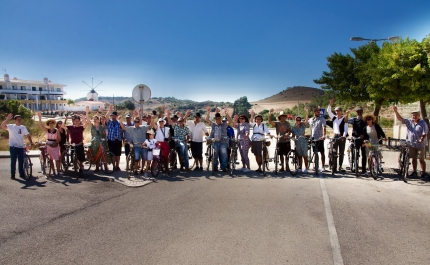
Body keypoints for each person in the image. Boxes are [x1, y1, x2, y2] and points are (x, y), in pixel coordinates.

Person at [393, 107, 428, 178]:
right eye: (413, 115)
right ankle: (414, 171)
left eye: (416, 115)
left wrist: (421, 138)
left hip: (420, 144)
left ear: (419, 116)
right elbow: (400, 119)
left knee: (421, 159)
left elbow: (425, 132)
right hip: (411, 143)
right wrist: (396, 112)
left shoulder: (423, 123)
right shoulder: (409, 121)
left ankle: (423, 172)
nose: (414, 117)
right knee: (413, 158)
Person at [1, 113, 33, 180]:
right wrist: (7, 119)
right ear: (15, 120)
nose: (19, 120)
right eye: (18, 119)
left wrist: (31, 142)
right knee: (13, 161)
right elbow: (2, 126)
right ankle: (13, 175)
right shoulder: (11, 126)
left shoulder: (23, 127)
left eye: (20, 119)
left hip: (20, 147)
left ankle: (21, 174)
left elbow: (28, 135)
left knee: (21, 161)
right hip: (13, 147)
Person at [205, 107, 232, 172]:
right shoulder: (213, 125)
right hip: (215, 142)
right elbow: (207, 120)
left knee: (224, 155)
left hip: (223, 142)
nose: (217, 119)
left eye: (219, 118)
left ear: (220, 118)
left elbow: (230, 121)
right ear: (215, 119)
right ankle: (215, 167)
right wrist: (208, 112)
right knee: (215, 156)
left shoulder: (224, 124)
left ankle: (224, 167)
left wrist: (226, 114)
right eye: (216, 118)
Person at [344, 107, 367, 174]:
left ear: (362, 112)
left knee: (363, 154)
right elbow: (346, 121)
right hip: (356, 138)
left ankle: (363, 169)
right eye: (358, 112)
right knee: (355, 153)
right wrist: (347, 114)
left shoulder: (365, 120)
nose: (359, 113)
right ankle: (354, 167)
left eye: (360, 111)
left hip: (363, 139)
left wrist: (364, 135)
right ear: (356, 112)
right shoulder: (354, 119)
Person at [37, 113, 61, 178]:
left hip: (55, 145)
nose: (51, 124)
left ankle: (58, 171)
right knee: (50, 159)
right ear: (48, 124)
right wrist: (39, 118)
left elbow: (59, 139)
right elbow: (41, 126)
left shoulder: (57, 131)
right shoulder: (47, 130)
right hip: (48, 145)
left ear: (53, 124)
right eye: (49, 123)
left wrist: (55, 142)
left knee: (57, 159)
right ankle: (52, 171)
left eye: (52, 123)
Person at [327, 98, 348, 172]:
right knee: (334, 151)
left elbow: (346, 129)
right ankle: (334, 166)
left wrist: (344, 136)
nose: (337, 112)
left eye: (339, 111)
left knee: (341, 152)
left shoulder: (344, 119)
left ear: (341, 111)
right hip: (335, 135)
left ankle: (340, 166)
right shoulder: (334, 118)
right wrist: (330, 104)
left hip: (342, 136)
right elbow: (329, 112)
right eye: (336, 111)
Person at [105, 105, 125, 170]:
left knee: (118, 154)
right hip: (111, 140)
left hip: (118, 140)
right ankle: (113, 166)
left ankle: (117, 166)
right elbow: (106, 117)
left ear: (116, 116)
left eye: (115, 116)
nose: (113, 117)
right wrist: (109, 110)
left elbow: (123, 128)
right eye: (112, 116)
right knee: (112, 154)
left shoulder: (119, 122)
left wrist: (121, 120)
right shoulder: (109, 122)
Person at [307, 106, 327, 172]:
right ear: (314, 112)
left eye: (319, 111)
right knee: (315, 152)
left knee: (322, 152)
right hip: (313, 138)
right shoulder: (311, 120)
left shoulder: (322, 119)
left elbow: (324, 127)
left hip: (320, 138)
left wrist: (324, 135)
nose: (318, 112)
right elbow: (305, 123)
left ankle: (323, 166)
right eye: (316, 111)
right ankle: (316, 166)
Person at [292, 109, 309, 173]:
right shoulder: (293, 127)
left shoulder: (303, 125)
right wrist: (293, 139)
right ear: (295, 121)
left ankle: (306, 167)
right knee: (299, 156)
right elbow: (293, 135)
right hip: (297, 142)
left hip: (304, 142)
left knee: (305, 155)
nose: (298, 121)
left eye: (299, 120)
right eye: (297, 120)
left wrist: (306, 113)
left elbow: (306, 121)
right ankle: (300, 167)